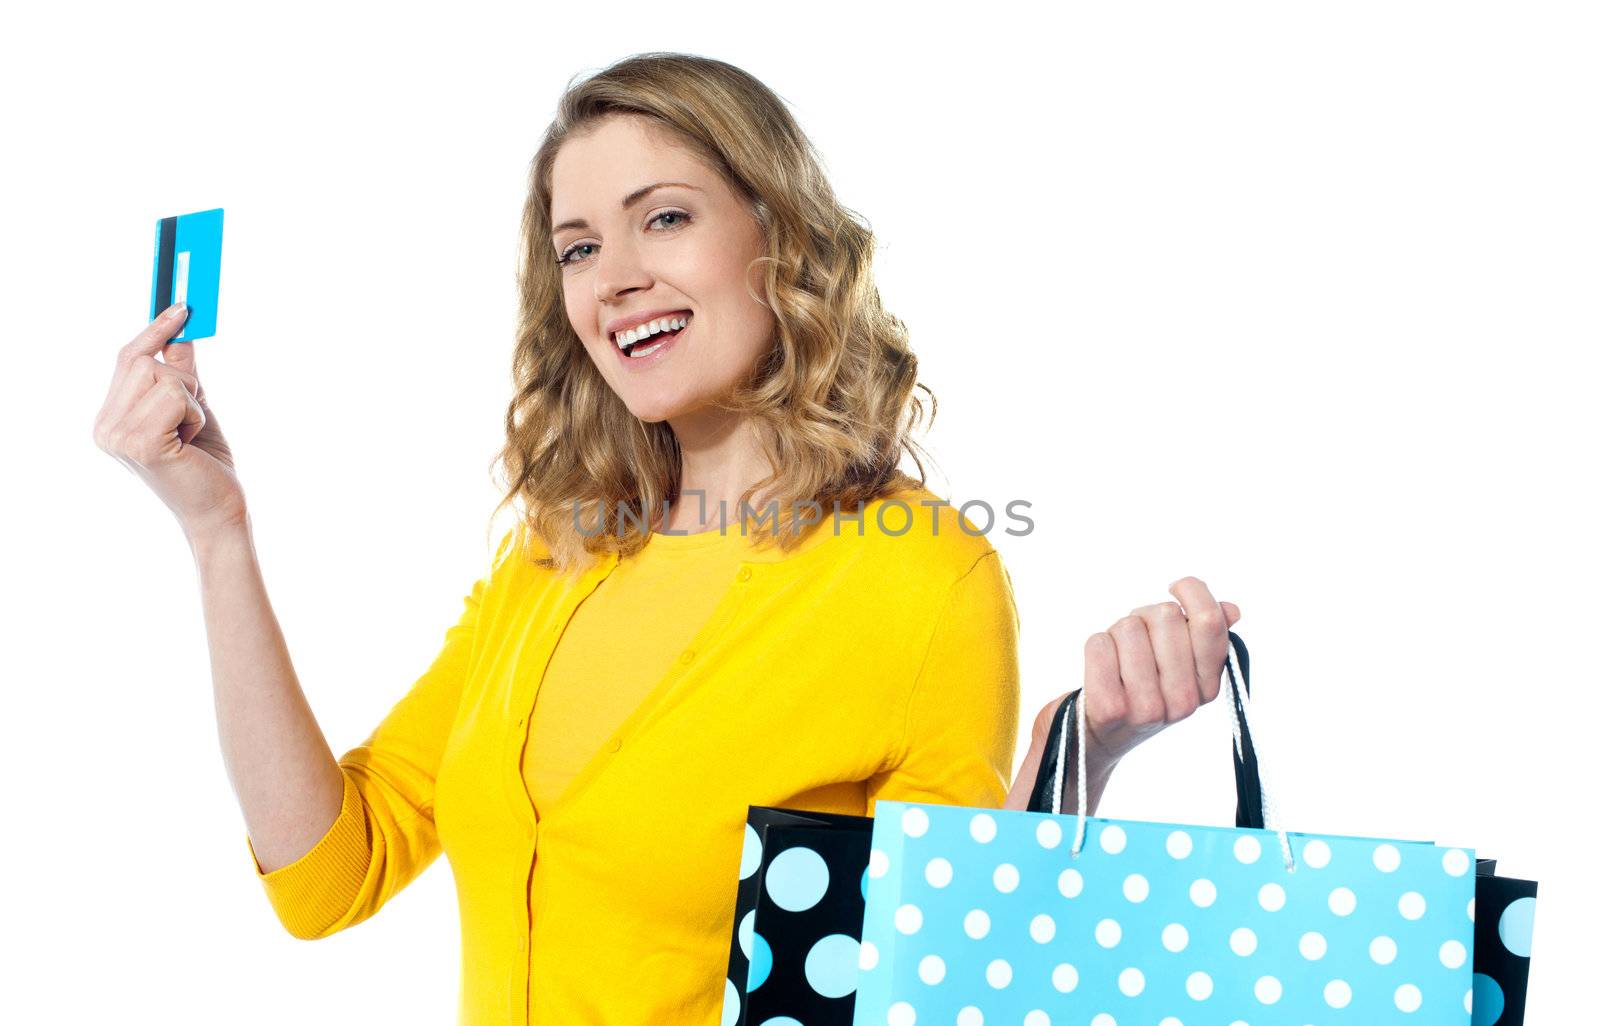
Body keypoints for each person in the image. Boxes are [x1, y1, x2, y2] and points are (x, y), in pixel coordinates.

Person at [93, 52, 1241, 1026]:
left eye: (667, 218)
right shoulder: (556, 558)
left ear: (779, 239)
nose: (615, 280)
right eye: (579, 247)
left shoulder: (922, 578)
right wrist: (218, 535)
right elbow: (328, 876)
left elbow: (926, 978)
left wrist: (1076, 761)